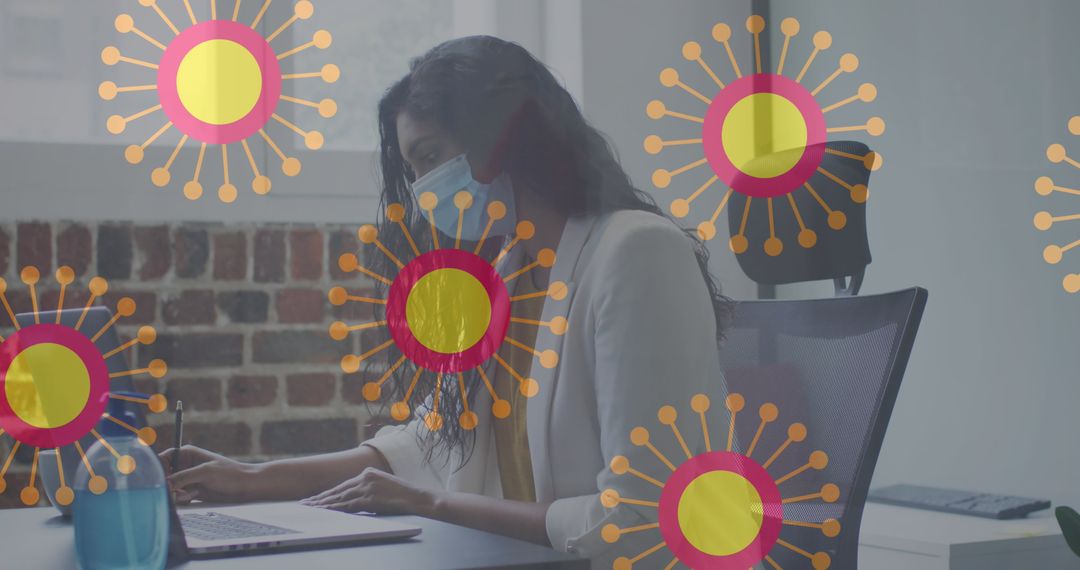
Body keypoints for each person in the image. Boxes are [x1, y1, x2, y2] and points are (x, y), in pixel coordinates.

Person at [162, 35, 731, 565]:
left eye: (431, 157)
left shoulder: (636, 253)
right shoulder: (511, 272)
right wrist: (250, 478)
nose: (425, 190)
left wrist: (430, 506)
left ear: (502, 134)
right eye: (414, 171)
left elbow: (643, 520)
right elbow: (431, 443)